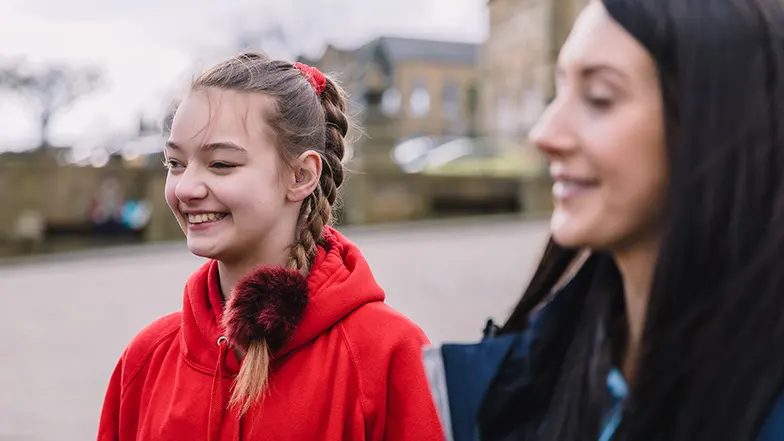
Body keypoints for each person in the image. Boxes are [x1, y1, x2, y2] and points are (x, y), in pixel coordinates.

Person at [423, 0, 784, 440]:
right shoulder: (517, 383)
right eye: (560, 91)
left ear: (722, 122)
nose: (544, 133)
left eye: (599, 98)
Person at [97, 53, 443, 441]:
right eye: (175, 163)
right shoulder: (146, 359)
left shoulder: (388, 355)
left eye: (221, 164)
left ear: (301, 176)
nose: (186, 189)